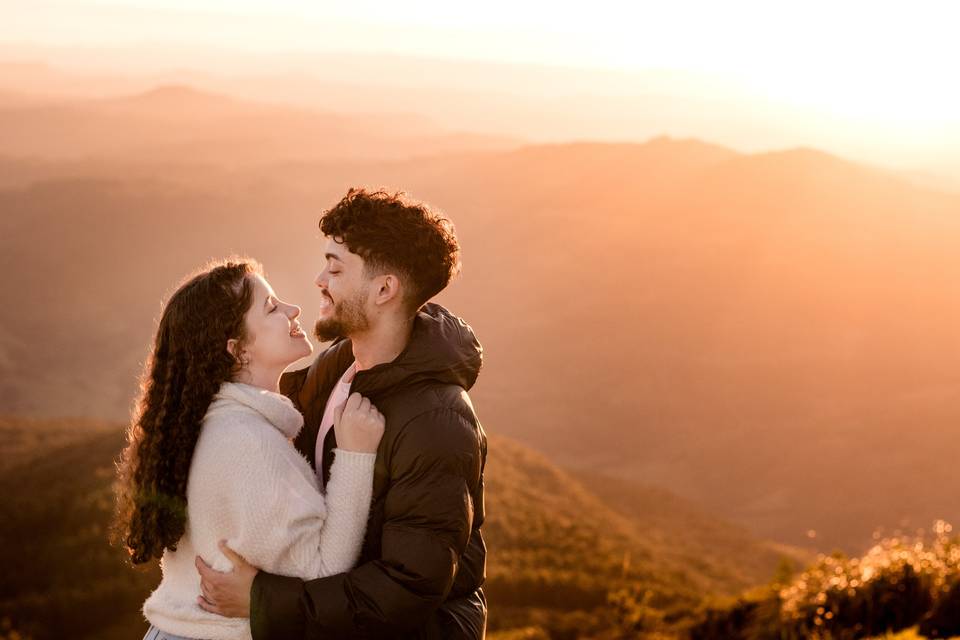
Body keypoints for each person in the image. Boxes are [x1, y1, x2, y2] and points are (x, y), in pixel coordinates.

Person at [195, 188, 488, 639]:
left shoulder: (438, 423)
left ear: (385, 289)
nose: (319, 279)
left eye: (335, 268)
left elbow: (407, 589)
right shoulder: (334, 367)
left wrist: (262, 600)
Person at [114, 259, 386, 640]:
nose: (293, 310)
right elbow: (324, 568)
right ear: (237, 350)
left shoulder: (207, 424)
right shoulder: (247, 441)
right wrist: (357, 456)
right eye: (271, 308)